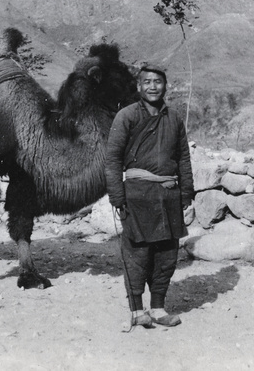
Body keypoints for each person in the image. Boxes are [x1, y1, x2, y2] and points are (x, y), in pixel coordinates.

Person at [104, 65, 194, 328]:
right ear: (138, 87)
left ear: (165, 86)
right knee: (137, 254)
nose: (153, 86)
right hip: (137, 196)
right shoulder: (126, 116)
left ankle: (158, 308)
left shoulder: (174, 118)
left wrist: (186, 192)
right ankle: (136, 311)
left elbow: (183, 158)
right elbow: (112, 160)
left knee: (167, 255)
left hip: (168, 195)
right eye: (147, 82)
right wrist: (117, 197)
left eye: (158, 82)